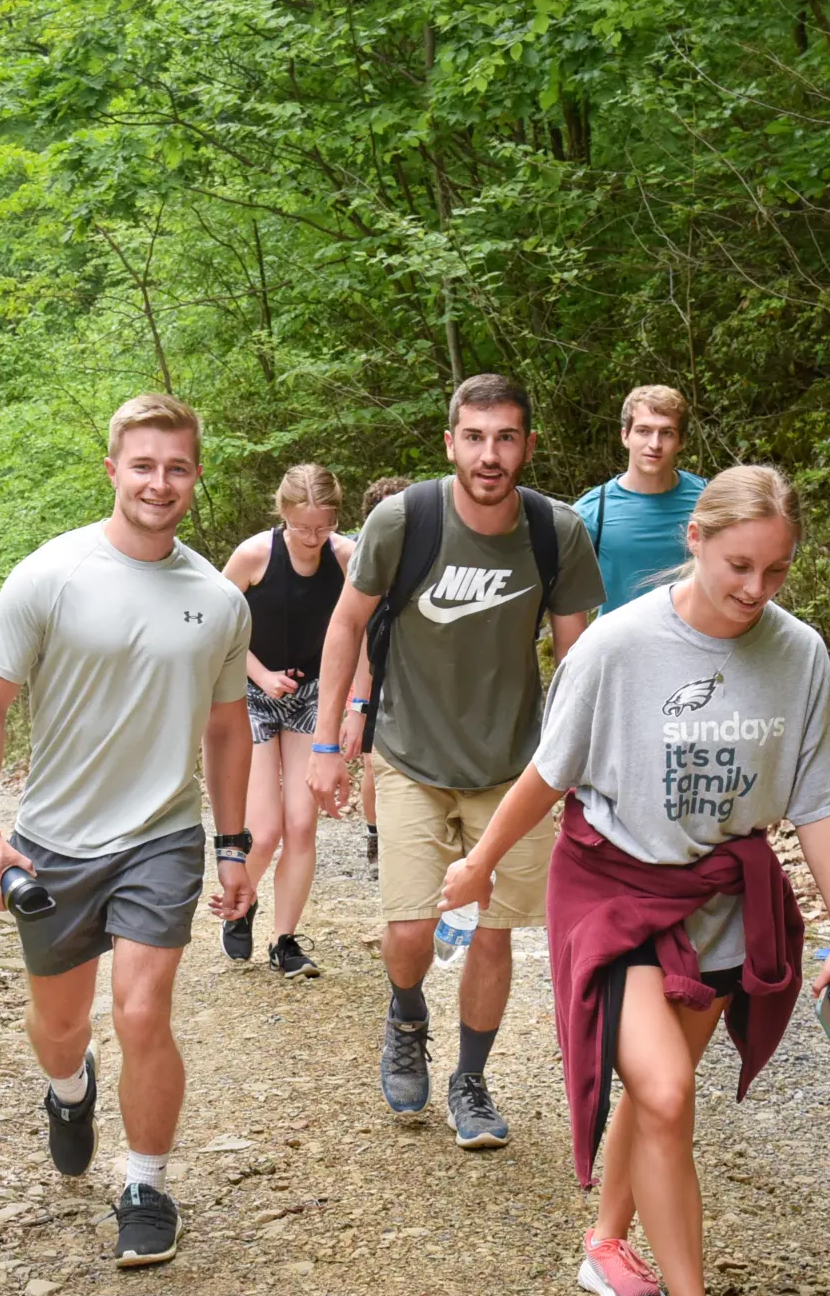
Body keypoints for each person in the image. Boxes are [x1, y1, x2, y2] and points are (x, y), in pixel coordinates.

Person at [441, 465, 830, 1296]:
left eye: (776, 570)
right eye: (739, 566)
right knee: (667, 1091)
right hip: (615, 888)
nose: (756, 589)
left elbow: (820, 801)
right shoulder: (619, 646)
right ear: (696, 542)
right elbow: (551, 773)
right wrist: (480, 864)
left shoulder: (799, 654)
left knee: (658, 1090)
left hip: (721, 898)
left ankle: (604, 1242)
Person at [0, 392, 256, 1268]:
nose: (158, 483)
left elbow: (228, 727)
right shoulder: (49, 575)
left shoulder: (216, 598)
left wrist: (234, 843)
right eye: (143, 465)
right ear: (113, 470)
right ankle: (68, 1088)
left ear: (195, 478)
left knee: (141, 1008)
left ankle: (148, 1186)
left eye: (176, 467)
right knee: (58, 1024)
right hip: (53, 839)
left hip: (161, 835)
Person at [310, 374, 604, 1149]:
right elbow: (346, 625)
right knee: (409, 928)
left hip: (512, 764)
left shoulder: (557, 531)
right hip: (408, 752)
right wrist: (325, 741)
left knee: (493, 934)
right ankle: (407, 1014)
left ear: (529, 446)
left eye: (506, 437)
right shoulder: (404, 520)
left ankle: (470, 1079)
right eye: (474, 437)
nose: (490, 453)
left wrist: (575, 766)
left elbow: (579, 659)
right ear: (450, 443)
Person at [219, 465, 358, 977]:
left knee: (302, 824)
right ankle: (241, 900)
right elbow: (216, 629)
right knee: (267, 829)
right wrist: (260, 674)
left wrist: (352, 709)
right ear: (283, 515)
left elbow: (361, 634)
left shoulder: (346, 558)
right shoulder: (254, 555)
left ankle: (284, 941)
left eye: (322, 527)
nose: (312, 538)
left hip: (310, 697)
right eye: (302, 527)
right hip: (249, 696)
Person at [571, 385, 707, 608]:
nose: (654, 444)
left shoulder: (707, 498)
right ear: (625, 436)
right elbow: (563, 593)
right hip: (620, 640)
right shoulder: (592, 512)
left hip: (693, 638)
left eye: (667, 433)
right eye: (643, 431)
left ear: (681, 441)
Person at [353, 475, 414, 866]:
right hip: (377, 673)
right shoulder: (363, 562)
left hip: (419, 677)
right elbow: (354, 632)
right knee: (373, 764)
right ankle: (377, 837)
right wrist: (357, 704)